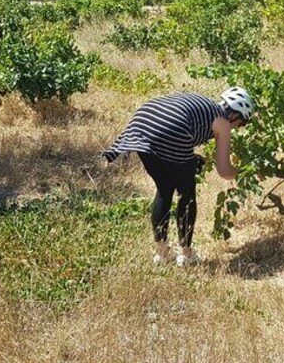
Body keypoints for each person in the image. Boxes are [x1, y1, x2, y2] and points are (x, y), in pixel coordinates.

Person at [102, 87, 254, 267]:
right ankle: (187, 255)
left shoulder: (205, 103)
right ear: (235, 115)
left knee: (164, 188)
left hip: (142, 121)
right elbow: (224, 171)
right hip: (171, 127)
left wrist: (191, 161)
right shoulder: (223, 123)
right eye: (242, 123)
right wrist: (246, 169)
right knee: (186, 193)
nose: (238, 128)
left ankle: (162, 253)